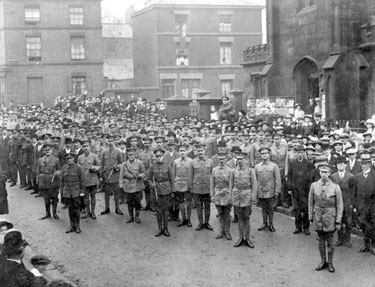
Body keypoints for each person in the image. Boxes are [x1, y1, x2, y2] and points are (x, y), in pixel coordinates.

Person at [308, 164, 343, 273]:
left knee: (330, 242)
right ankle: (323, 261)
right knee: (321, 241)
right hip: (318, 217)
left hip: (330, 218)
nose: (324, 174)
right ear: (319, 173)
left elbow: (340, 205)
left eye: (326, 172)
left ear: (329, 173)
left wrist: (338, 220)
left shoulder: (335, 187)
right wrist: (310, 216)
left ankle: (330, 262)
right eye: (322, 172)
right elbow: (310, 203)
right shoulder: (314, 186)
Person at [230, 151, 257, 248]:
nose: (239, 161)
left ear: (245, 159)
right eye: (238, 159)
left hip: (247, 196)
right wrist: (231, 197)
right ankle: (240, 238)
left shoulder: (250, 171)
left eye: (241, 159)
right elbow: (231, 185)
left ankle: (247, 238)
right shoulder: (233, 171)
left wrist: (253, 198)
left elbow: (254, 185)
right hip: (237, 196)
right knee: (239, 218)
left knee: (246, 217)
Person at [148, 149, 175, 237]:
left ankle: (166, 228)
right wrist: (151, 184)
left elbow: (172, 179)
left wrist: (173, 191)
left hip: (166, 191)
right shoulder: (152, 166)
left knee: (166, 211)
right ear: (155, 157)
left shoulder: (168, 166)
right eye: (157, 156)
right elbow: (149, 178)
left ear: (163, 157)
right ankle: (160, 228)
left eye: (160, 156)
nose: (159, 158)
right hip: (157, 191)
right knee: (159, 211)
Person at [288, 145, 314, 235]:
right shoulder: (292, 163)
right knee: (297, 210)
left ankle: (306, 227)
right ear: (296, 153)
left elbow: (311, 178)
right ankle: (298, 227)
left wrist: (310, 189)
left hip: (305, 190)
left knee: (306, 209)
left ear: (304, 153)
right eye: (298, 152)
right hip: (295, 190)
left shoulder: (309, 164)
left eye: (302, 152)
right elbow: (290, 176)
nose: (300, 154)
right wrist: (290, 188)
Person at [255, 146, 281, 232]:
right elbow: (255, 180)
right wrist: (255, 192)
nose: (264, 155)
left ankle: (271, 224)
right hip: (261, 191)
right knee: (263, 208)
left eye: (266, 153)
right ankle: (264, 223)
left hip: (270, 191)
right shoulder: (257, 167)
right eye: (262, 154)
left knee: (271, 208)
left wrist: (277, 191)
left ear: (269, 154)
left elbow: (278, 180)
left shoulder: (274, 166)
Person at [330, 156, 355, 248]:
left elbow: (353, 191)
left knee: (348, 222)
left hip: (347, 203)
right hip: (337, 203)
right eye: (338, 164)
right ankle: (340, 239)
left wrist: (352, 203)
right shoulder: (333, 176)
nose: (339, 166)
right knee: (338, 221)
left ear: (345, 165)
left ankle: (347, 240)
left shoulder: (351, 176)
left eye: (341, 164)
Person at [354, 153, 375, 255]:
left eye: (366, 163)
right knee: (364, 226)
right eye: (362, 163)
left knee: (373, 226)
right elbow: (355, 192)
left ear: (370, 164)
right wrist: (355, 205)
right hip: (361, 206)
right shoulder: (357, 176)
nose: (364, 166)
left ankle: (374, 246)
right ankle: (366, 245)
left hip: (372, 207)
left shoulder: (374, 175)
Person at [190, 144, 214, 231]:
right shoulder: (192, 162)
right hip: (197, 188)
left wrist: (212, 189)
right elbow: (191, 176)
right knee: (199, 206)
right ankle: (200, 223)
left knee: (207, 206)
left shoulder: (210, 162)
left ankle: (207, 223)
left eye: (201, 150)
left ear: (204, 151)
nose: (200, 152)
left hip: (207, 188)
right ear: (196, 151)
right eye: (198, 150)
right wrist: (191, 189)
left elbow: (212, 175)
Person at [61, 152, 85, 234]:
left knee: (77, 209)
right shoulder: (64, 168)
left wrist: (82, 191)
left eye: (70, 158)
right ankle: (72, 225)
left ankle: (77, 226)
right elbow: (62, 181)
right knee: (70, 209)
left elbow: (82, 180)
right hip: (67, 192)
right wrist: (62, 191)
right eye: (67, 159)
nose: (69, 160)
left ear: (74, 158)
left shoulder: (78, 168)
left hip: (76, 191)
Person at [119, 147, 145, 224]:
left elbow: (144, 173)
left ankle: (137, 217)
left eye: (132, 154)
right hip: (128, 186)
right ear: (127, 155)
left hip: (137, 186)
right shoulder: (124, 164)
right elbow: (121, 175)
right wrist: (121, 185)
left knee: (137, 203)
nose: (131, 156)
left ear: (135, 155)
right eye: (129, 154)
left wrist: (140, 175)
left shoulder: (139, 163)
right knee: (129, 202)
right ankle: (131, 217)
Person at [210, 152, 232, 240]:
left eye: (223, 159)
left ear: (226, 159)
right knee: (220, 214)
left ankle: (227, 232)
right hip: (218, 194)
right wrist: (212, 195)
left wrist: (229, 194)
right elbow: (212, 184)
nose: (221, 160)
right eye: (220, 159)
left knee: (227, 214)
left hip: (226, 195)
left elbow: (231, 185)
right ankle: (221, 231)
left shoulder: (230, 171)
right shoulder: (214, 170)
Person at [36, 143, 61, 220]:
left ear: (52, 150)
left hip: (54, 181)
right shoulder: (40, 160)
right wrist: (37, 179)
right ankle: (47, 213)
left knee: (54, 197)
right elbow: (38, 171)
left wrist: (58, 172)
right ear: (43, 151)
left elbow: (60, 170)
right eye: (45, 150)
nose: (47, 151)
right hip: (44, 182)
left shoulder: (56, 160)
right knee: (46, 198)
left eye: (48, 150)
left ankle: (54, 213)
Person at [77, 140, 100, 220]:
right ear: (82, 148)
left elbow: (99, 166)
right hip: (84, 181)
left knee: (93, 196)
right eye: (84, 146)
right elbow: (78, 169)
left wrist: (94, 168)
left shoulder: (94, 156)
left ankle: (93, 212)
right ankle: (88, 212)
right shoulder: (80, 157)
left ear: (89, 147)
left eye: (87, 146)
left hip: (93, 180)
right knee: (85, 198)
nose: (85, 148)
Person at [100, 136, 123, 215]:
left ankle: (117, 208)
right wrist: (101, 175)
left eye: (112, 141)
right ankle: (107, 208)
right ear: (107, 142)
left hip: (115, 175)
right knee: (106, 193)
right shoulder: (103, 152)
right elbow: (101, 164)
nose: (110, 143)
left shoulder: (118, 152)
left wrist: (117, 167)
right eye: (109, 141)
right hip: (106, 176)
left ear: (114, 142)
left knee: (116, 193)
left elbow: (121, 163)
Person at [173, 144, 193, 227]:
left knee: (188, 202)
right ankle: (183, 219)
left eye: (184, 151)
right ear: (178, 152)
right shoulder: (175, 161)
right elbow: (173, 174)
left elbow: (192, 174)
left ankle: (188, 219)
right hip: (178, 184)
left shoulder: (191, 161)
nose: (182, 152)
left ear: (186, 151)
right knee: (181, 202)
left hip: (187, 184)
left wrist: (191, 185)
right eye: (180, 151)